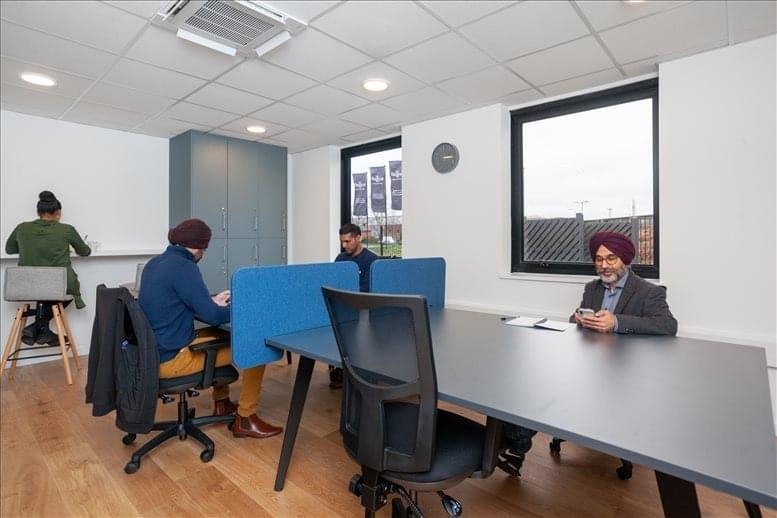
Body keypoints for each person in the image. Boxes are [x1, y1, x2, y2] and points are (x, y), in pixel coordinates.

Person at [498, 231, 677, 477]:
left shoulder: (648, 291)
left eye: (611, 258)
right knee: (532, 381)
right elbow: (575, 319)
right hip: (584, 362)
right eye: (599, 259)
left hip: (624, 371)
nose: (604, 265)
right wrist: (579, 319)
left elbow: (668, 326)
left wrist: (616, 322)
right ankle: (512, 446)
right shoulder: (592, 288)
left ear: (625, 260)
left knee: (553, 389)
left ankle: (514, 447)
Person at [138, 218, 282, 439]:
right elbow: (213, 316)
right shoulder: (185, 267)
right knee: (256, 347)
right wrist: (240, 308)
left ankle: (222, 404)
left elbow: (182, 301)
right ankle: (245, 418)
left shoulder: (154, 264)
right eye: (204, 249)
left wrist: (211, 300)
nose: (203, 254)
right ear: (198, 247)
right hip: (173, 359)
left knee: (219, 334)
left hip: (154, 352)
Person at [4, 191, 90, 345]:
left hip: (26, 285)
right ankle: (40, 326)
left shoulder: (22, 228)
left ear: (38, 212)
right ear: (57, 212)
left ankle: (39, 328)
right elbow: (85, 252)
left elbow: (9, 249)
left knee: (44, 292)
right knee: (67, 291)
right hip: (59, 287)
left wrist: (29, 247)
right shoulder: (66, 230)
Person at [329, 223, 379, 388]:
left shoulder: (371, 260)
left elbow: (368, 288)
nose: (344, 245)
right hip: (342, 307)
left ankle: (362, 375)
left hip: (362, 310)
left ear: (359, 238)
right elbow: (333, 281)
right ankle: (338, 372)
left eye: (348, 241)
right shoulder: (340, 258)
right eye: (342, 242)